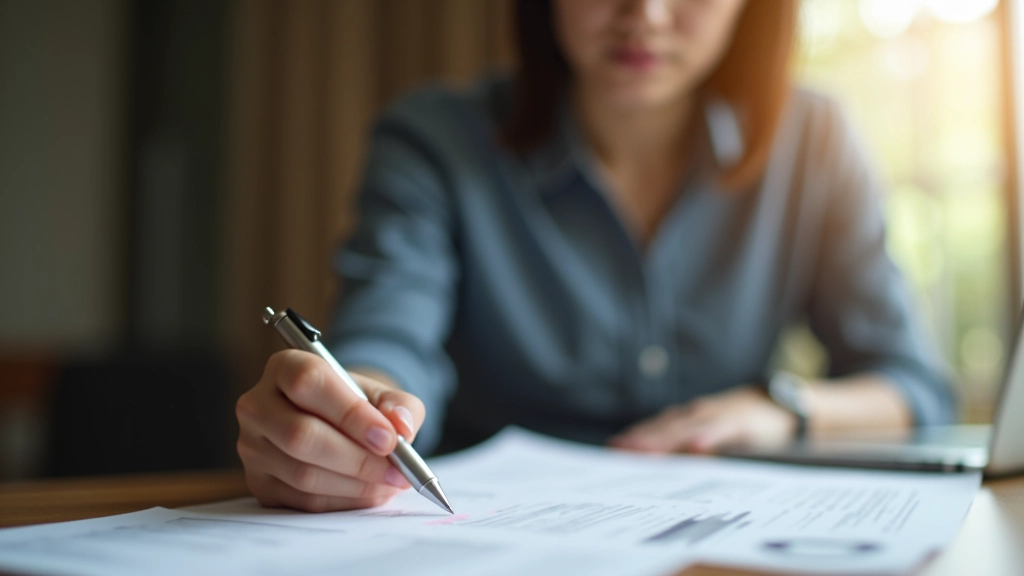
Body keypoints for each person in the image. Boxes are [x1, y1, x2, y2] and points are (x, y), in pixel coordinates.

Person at [235, 0, 956, 513]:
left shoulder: (816, 141)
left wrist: (779, 409)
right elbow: (388, 336)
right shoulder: (433, 140)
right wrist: (349, 412)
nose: (644, 12)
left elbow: (912, 384)